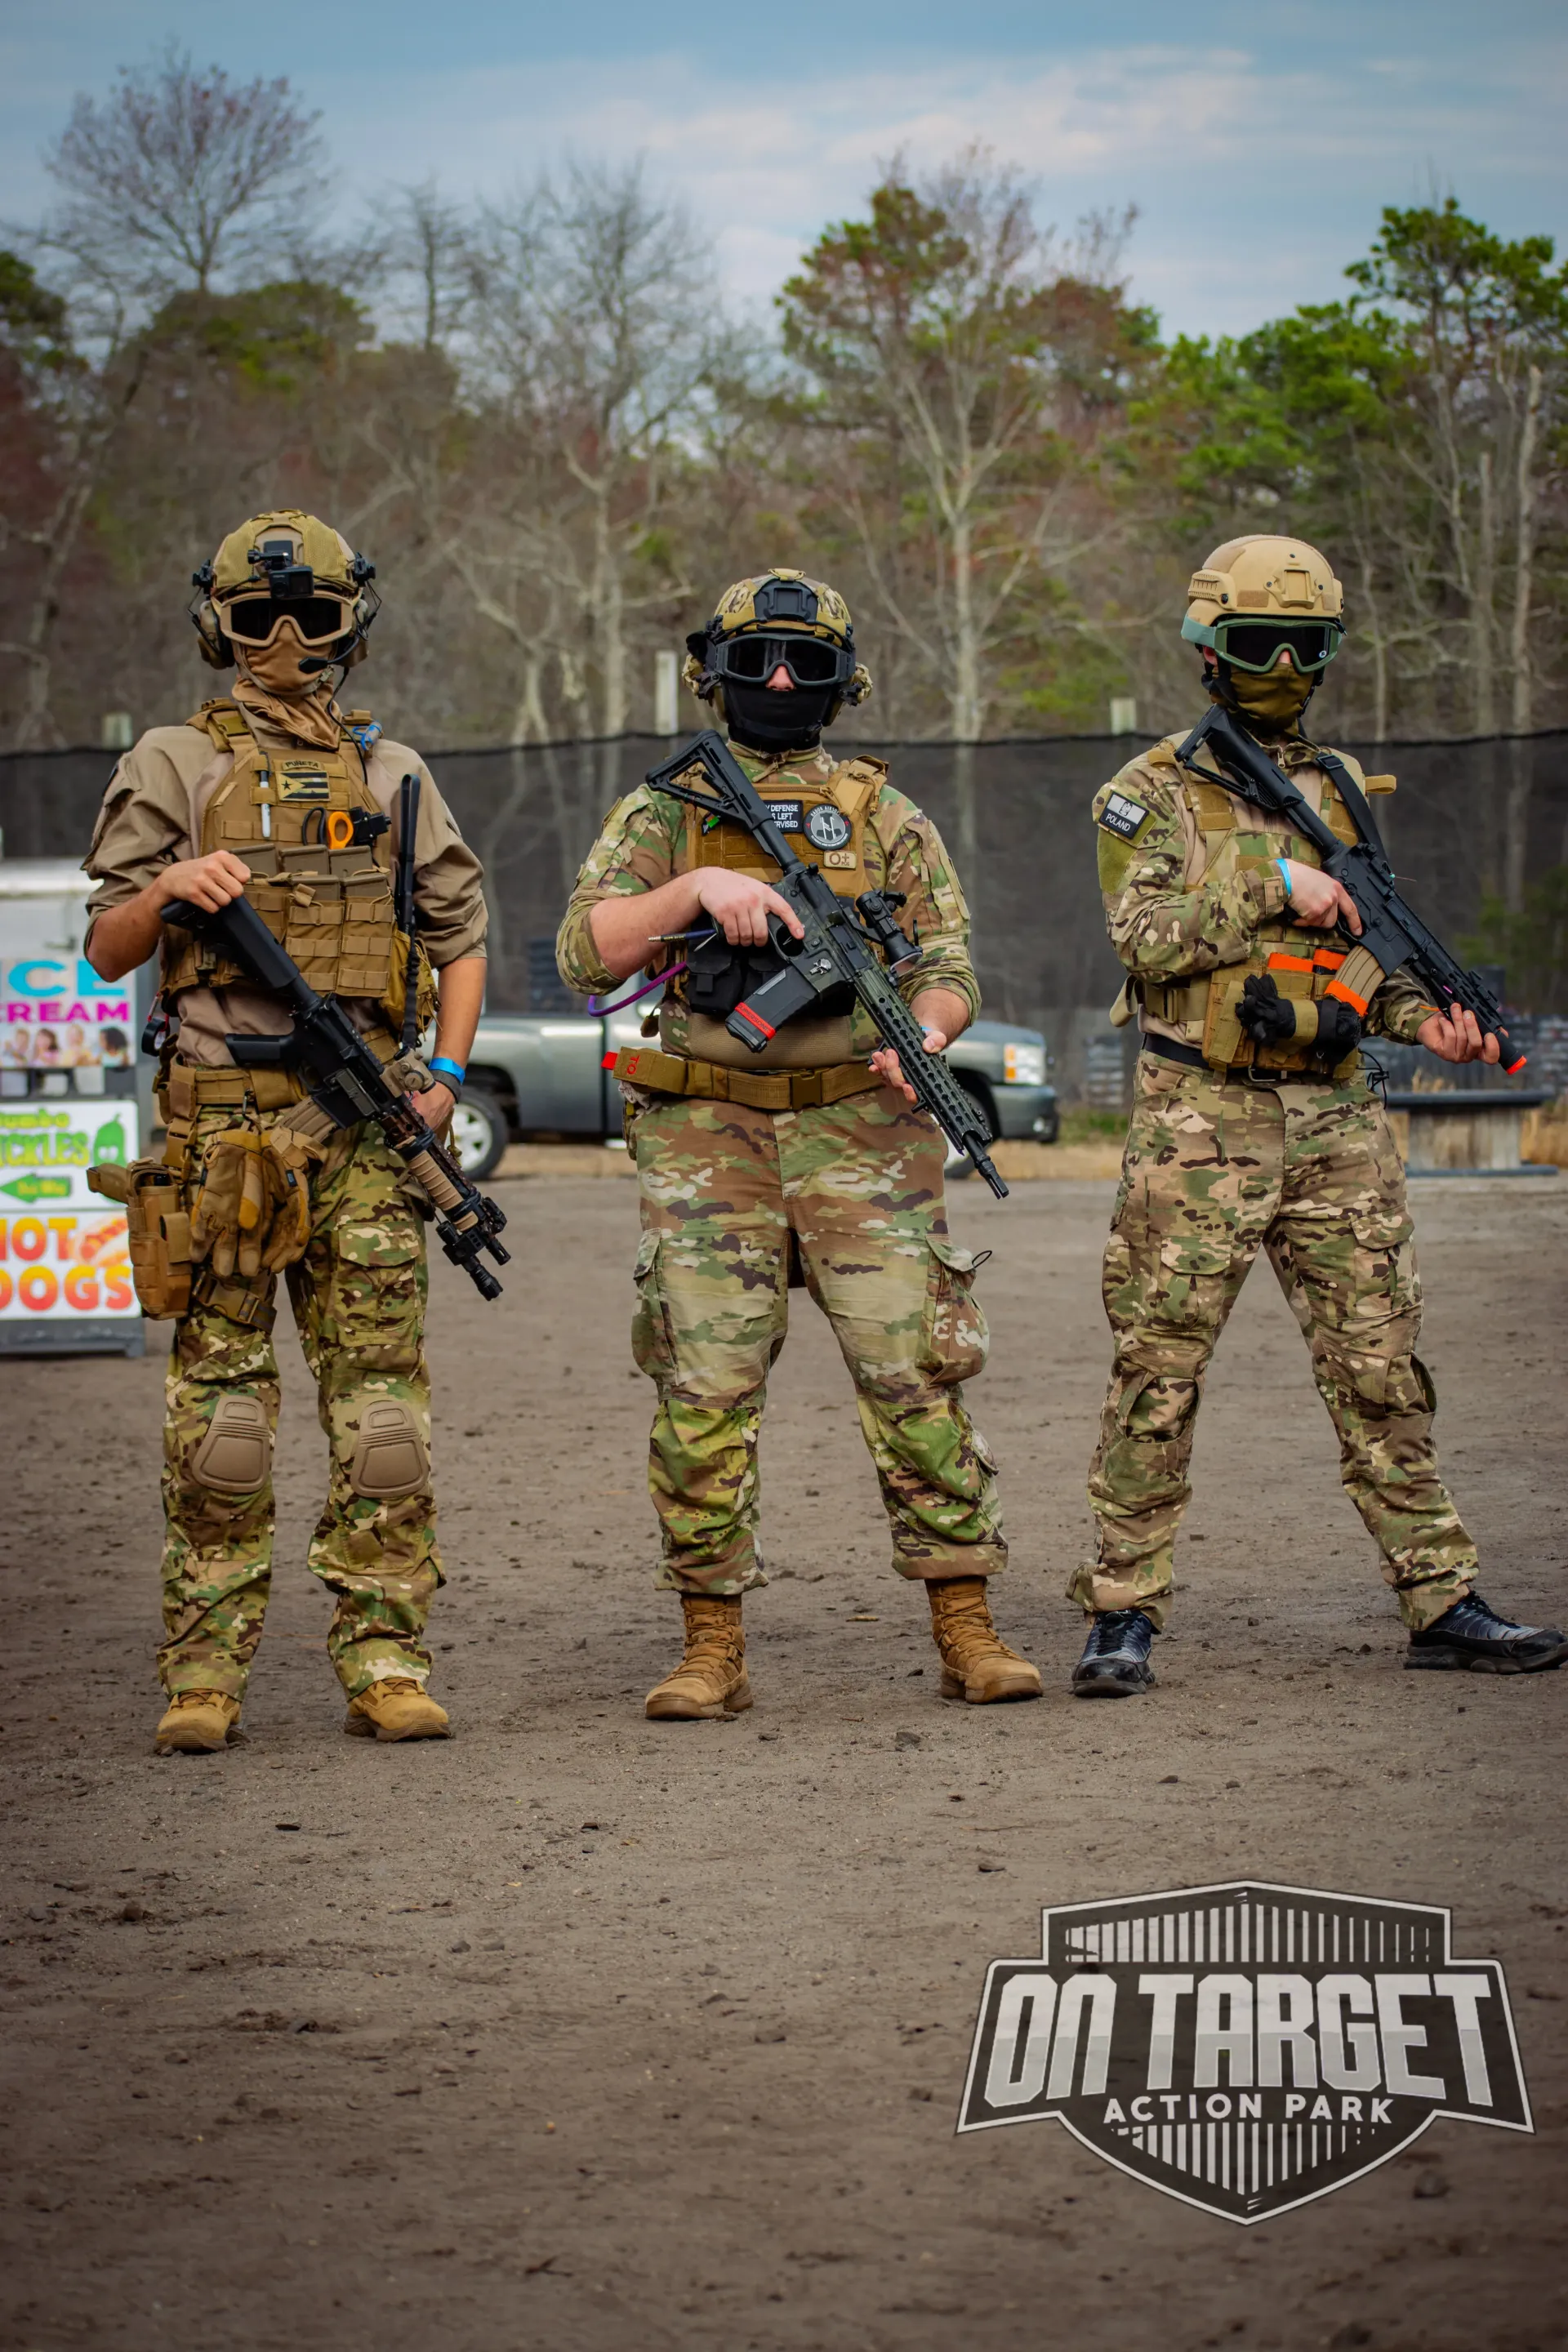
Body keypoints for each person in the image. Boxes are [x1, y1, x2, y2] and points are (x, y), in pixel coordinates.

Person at [1072, 532, 1566, 1695]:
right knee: (1159, 1370)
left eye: (1306, 644)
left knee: (1381, 1364)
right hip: (1201, 1117)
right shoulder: (1150, 788)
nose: (1285, 665)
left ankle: (1441, 1597)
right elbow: (1143, 939)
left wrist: (1422, 1019)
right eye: (1261, 642)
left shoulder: (1339, 785)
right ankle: (1122, 1612)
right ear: (1209, 647)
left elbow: (1363, 960)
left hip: (1338, 1118)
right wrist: (1272, 881)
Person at [557, 568, 1040, 1717]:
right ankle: (710, 1647)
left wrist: (929, 1031)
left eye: (805, 664)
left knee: (914, 1373)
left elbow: (949, 965)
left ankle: (966, 1627)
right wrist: (695, 888)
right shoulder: (666, 811)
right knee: (704, 1388)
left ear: (843, 681)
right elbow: (587, 951)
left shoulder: (887, 816)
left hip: (862, 1129)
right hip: (707, 1134)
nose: (780, 683)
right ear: (713, 676)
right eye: (757, 662)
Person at [85, 507, 489, 1753]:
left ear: (348, 622)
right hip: (221, 1141)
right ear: (219, 624)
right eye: (258, 614)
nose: (284, 636)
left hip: (362, 1136)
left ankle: (386, 1661)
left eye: (309, 612)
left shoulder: (394, 772)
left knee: (383, 1424)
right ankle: (204, 1674)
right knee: (222, 1424)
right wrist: (169, 889)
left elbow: (461, 936)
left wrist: (446, 1074)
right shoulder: (173, 760)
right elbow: (106, 949)